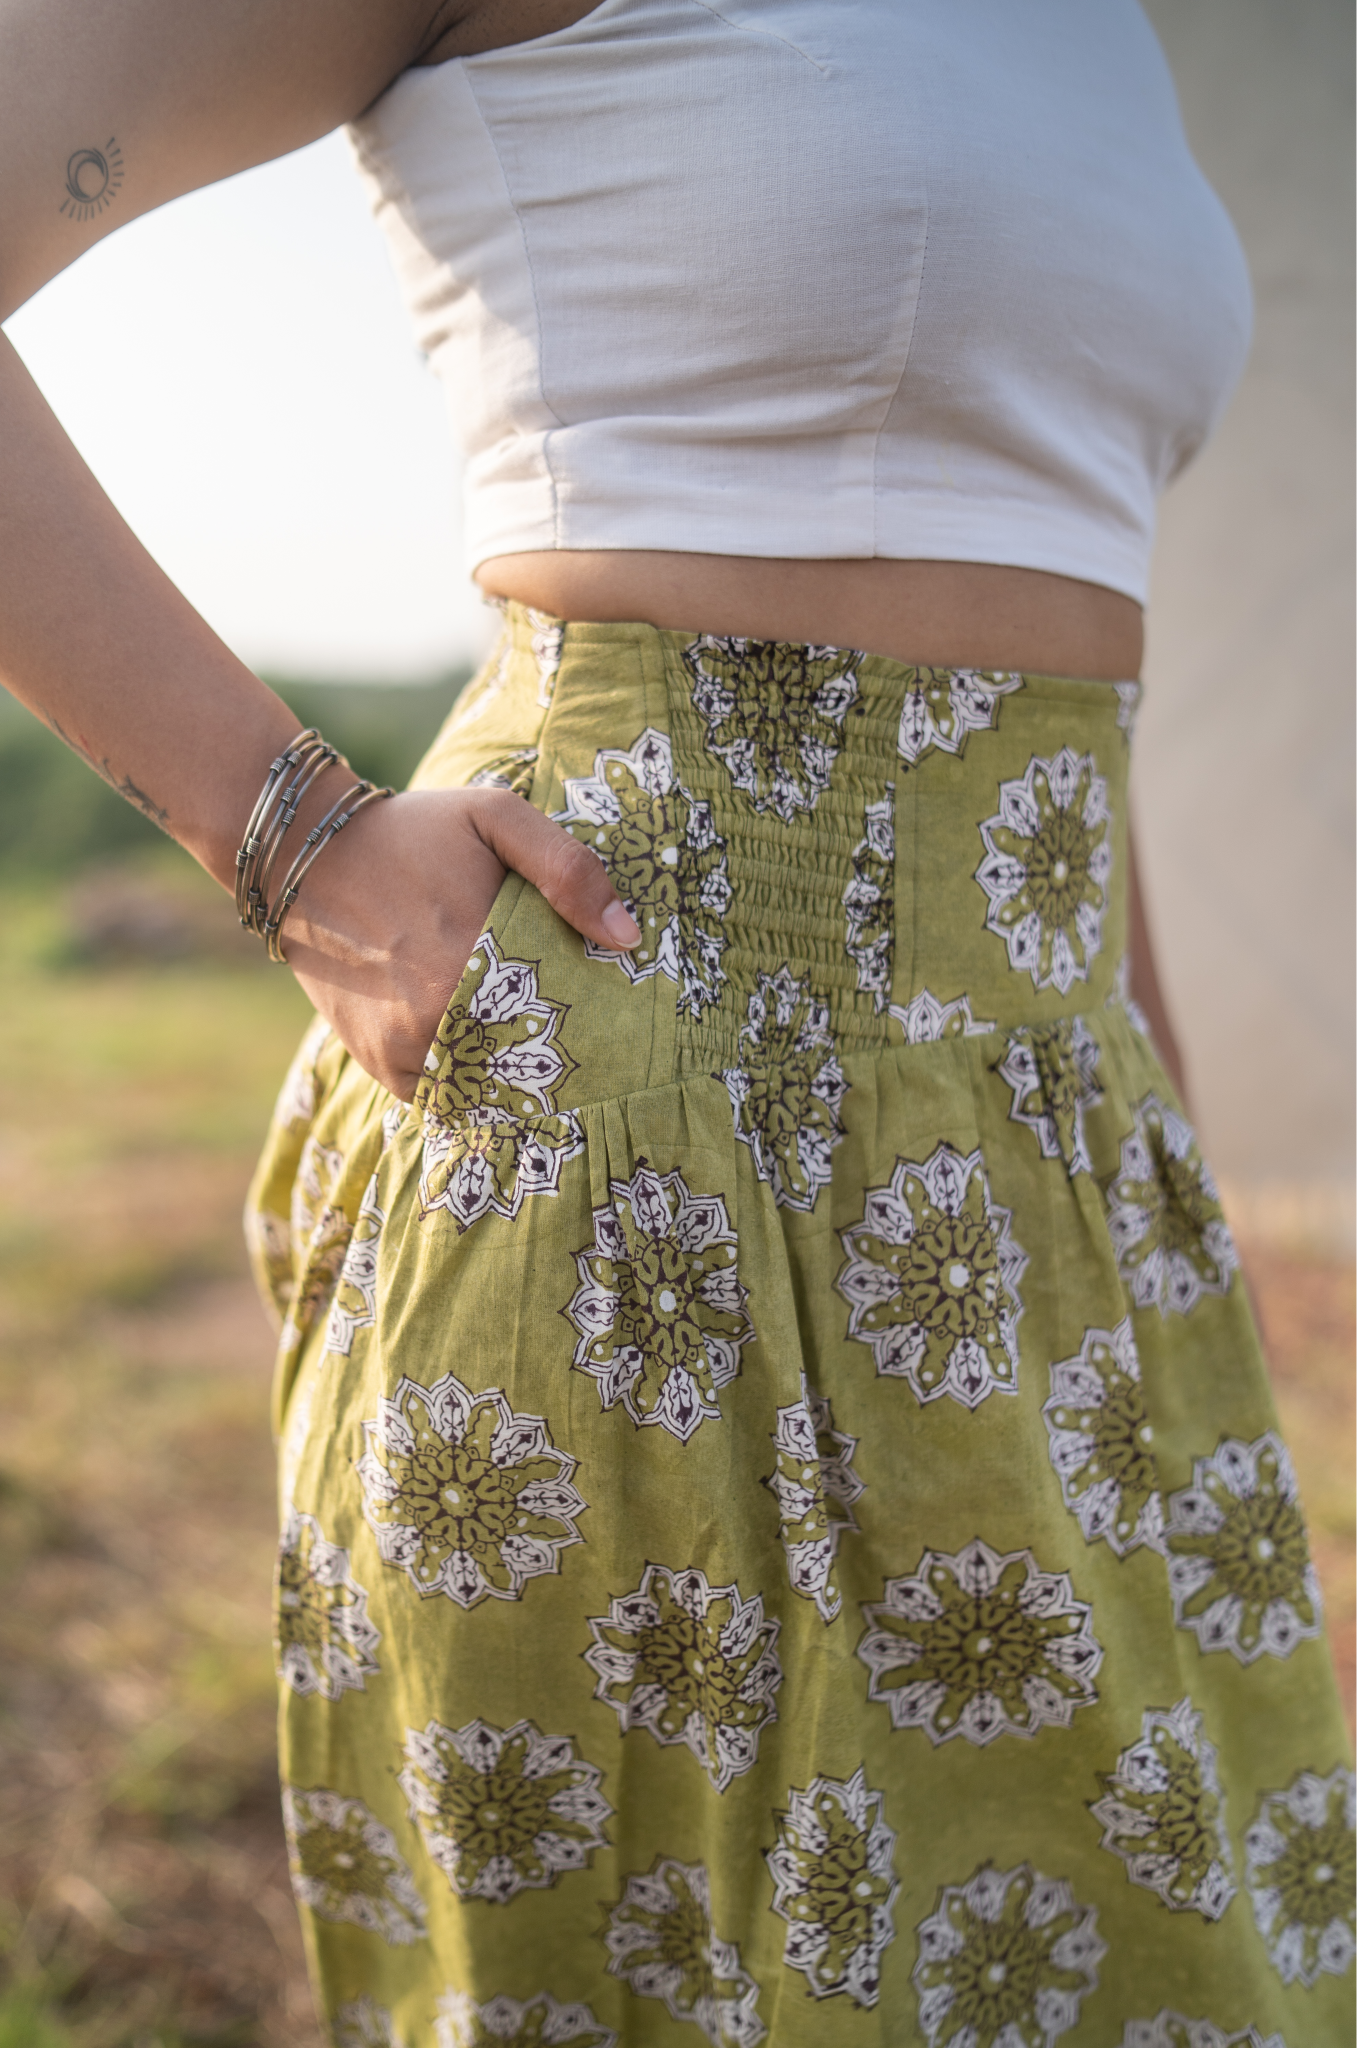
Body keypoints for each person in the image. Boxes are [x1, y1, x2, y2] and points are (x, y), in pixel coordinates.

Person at [3, 2, 1352, 2042]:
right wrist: (295, 835)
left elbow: (1066, 650)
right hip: (651, 1126)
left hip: (1053, 1169)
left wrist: (1155, 1153)